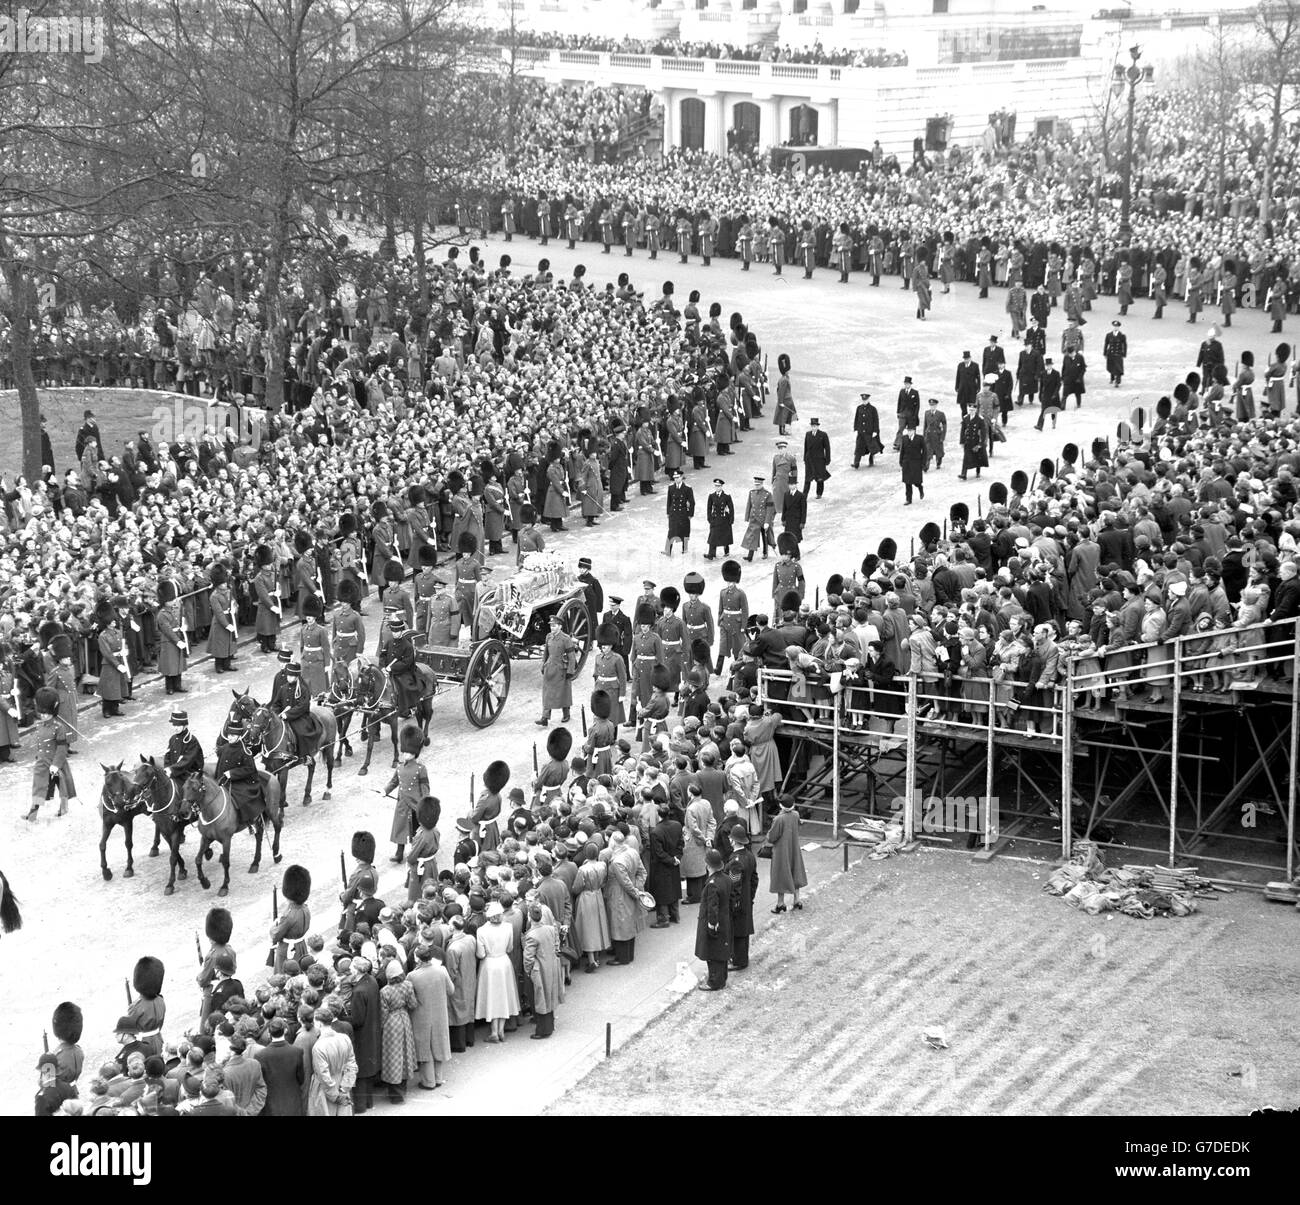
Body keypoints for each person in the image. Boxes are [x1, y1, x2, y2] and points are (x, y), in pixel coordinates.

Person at [26, 687, 77, 821]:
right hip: (42, 762)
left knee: (62, 786)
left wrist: (56, 765)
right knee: (38, 786)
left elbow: (62, 748)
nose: (43, 715)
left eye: (46, 713)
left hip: (55, 762)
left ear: (53, 710)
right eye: (41, 712)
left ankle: (64, 807)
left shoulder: (59, 727)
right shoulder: (39, 726)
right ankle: (32, 815)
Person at [475, 901, 520, 1043]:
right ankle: (500, 1030)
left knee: (492, 997)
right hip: (504, 962)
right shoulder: (508, 927)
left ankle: (494, 1031)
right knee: (503, 995)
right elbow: (510, 948)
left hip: (489, 964)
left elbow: (480, 954)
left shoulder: (481, 931)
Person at [523, 903, 564, 1039]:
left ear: (530, 917)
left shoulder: (531, 935)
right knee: (549, 995)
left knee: (541, 999)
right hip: (551, 966)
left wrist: (528, 972)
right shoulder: (550, 929)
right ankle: (550, 1026)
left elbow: (528, 958)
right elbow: (556, 945)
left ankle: (543, 1030)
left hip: (539, 969)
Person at [760, 795, 807, 913]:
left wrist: (767, 836)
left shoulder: (778, 819)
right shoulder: (796, 815)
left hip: (781, 851)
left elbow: (771, 837)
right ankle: (797, 900)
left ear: (781, 806)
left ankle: (780, 903)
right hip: (794, 848)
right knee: (795, 872)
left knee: (780, 876)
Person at [307, 1007, 357, 1116]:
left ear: (319, 1024)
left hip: (325, 1090)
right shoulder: (344, 1038)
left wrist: (335, 1096)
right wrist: (345, 1087)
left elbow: (324, 1076)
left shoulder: (318, 1046)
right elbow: (352, 1066)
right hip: (342, 1083)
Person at [695, 849, 733, 991]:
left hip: (715, 922)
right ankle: (722, 978)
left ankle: (714, 982)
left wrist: (711, 925)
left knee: (712, 953)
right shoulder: (726, 879)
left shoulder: (712, 883)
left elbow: (712, 907)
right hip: (725, 920)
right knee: (722, 950)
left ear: (708, 865)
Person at [348, 957, 381, 1113]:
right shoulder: (372, 981)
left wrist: (344, 1016)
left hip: (362, 1035)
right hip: (372, 1029)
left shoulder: (358, 991)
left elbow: (357, 1020)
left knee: (360, 1072)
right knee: (368, 1070)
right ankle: (368, 1102)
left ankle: (360, 1106)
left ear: (356, 970)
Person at [254, 1017, 304, 1115]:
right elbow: (301, 1079)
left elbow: (261, 1082)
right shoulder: (297, 1052)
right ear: (285, 1031)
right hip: (292, 1102)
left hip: (271, 1104)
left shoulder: (260, 1055)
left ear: (269, 1033)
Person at [726, 825, 759, 970]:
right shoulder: (750, 856)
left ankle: (738, 960)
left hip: (737, 901)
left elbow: (734, 884)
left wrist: (733, 903)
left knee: (737, 931)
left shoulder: (736, 861)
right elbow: (754, 879)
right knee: (743, 930)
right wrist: (750, 896)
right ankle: (741, 958)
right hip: (746, 899)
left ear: (733, 840)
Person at [537, 612, 578, 726]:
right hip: (550, 668)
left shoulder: (566, 639)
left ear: (560, 626)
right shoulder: (549, 637)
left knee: (563, 692)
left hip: (561, 669)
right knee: (547, 693)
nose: (552, 628)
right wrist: (543, 665)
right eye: (551, 626)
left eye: (554, 626)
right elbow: (546, 653)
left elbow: (571, 657)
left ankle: (566, 714)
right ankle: (545, 718)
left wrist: (570, 671)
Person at [741, 475, 775, 562]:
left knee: (765, 537)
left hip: (763, 519)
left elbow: (770, 509)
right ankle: (750, 556)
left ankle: (765, 552)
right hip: (754, 519)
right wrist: (747, 516)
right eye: (755, 485)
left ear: (761, 484)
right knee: (752, 536)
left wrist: (767, 521)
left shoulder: (767, 494)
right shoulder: (751, 493)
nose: (756, 486)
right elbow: (749, 505)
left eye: (758, 485)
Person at [664, 467, 694, 556]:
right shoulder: (671, 488)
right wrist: (668, 513)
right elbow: (669, 501)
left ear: (681, 477)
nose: (676, 479)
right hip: (673, 513)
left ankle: (685, 549)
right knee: (671, 532)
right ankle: (668, 550)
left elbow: (692, 502)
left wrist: (690, 514)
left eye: (678, 477)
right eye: (675, 478)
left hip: (683, 514)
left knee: (684, 531)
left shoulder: (687, 488)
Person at [705, 478, 734, 560]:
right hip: (715, 519)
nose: (717, 488)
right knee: (713, 536)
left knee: (725, 536)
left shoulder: (726, 496)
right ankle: (711, 554)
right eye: (716, 486)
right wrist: (709, 518)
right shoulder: (711, 496)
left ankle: (726, 551)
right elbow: (709, 508)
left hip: (724, 519)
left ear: (722, 486)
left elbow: (731, 508)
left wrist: (731, 519)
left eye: (718, 486)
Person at [852, 392, 883, 468]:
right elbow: (856, 419)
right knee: (858, 447)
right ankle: (856, 463)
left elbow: (876, 420)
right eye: (863, 400)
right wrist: (855, 429)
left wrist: (875, 431)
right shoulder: (859, 408)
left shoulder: (873, 409)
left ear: (868, 399)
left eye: (865, 400)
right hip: (861, 432)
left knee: (871, 447)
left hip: (869, 432)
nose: (864, 401)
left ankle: (871, 459)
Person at [802, 417, 830, 499]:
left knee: (820, 478)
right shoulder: (808, 434)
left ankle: (819, 493)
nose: (814, 427)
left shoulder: (823, 435)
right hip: (809, 459)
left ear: (818, 426)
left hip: (819, 460)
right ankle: (804, 495)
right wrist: (805, 458)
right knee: (808, 478)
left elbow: (827, 448)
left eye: (815, 426)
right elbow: (805, 447)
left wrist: (827, 460)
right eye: (812, 426)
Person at [899, 418, 926, 504]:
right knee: (907, 482)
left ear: (914, 431)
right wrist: (901, 461)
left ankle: (920, 488)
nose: (909, 432)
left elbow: (924, 451)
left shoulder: (920, 438)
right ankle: (908, 499)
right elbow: (902, 451)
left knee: (916, 481)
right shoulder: (904, 438)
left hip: (916, 463)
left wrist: (923, 463)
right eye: (908, 430)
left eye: (911, 430)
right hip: (906, 463)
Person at [1104, 320, 1127, 386]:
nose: (1115, 328)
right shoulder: (1109, 335)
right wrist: (1105, 353)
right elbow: (1106, 344)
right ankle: (1112, 378)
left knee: (1118, 368)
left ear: (1119, 327)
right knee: (1111, 366)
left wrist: (1124, 353)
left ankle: (1117, 381)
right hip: (1110, 353)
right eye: (1114, 326)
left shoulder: (1122, 335)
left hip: (1118, 353)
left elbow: (1124, 345)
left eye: (1117, 326)